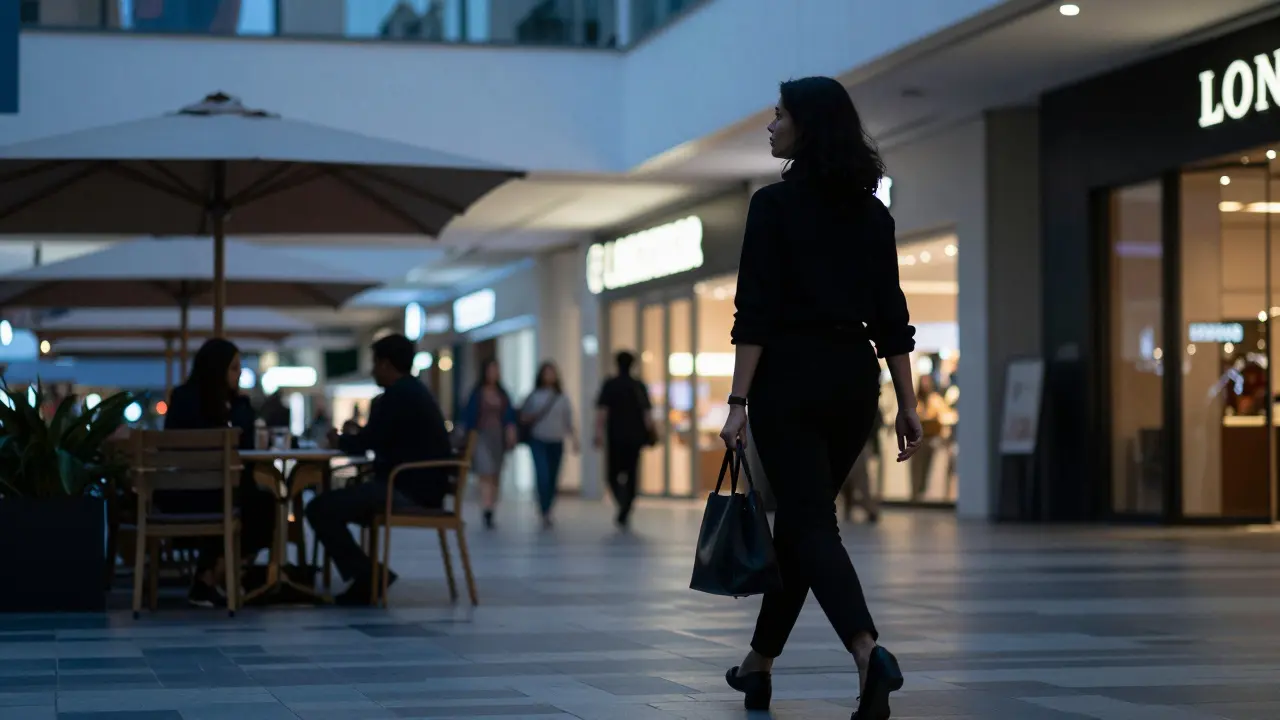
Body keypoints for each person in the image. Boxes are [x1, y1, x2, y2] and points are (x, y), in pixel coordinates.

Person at [716, 76, 923, 720]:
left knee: (809, 522)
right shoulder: (872, 213)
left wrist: (737, 402)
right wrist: (909, 403)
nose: (770, 126)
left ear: (807, 125)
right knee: (805, 525)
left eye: (779, 116)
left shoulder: (772, 207)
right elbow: (892, 318)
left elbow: (755, 312)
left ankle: (867, 653)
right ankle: (758, 666)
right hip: (853, 380)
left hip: (789, 377)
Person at [306, 334, 454, 606]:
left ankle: (370, 576)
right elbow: (382, 438)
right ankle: (369, 576)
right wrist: (357, 437)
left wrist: (341, 440)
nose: (373, 370)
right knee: (336, 503)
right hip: (422, 486)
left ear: (386, 364)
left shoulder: (395, 396)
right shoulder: (414, 392)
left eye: (375, 363)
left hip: (406, 489)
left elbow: (367, 443)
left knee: (318, 508)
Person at [162, 338, 276, 608]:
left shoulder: (181, 397)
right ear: (218, 369)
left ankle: (211, 576)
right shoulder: (232, 406)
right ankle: (221, 573)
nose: (239, 374)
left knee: (237, 495)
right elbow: (246, 450)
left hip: (176, 494)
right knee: (259, 502)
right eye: (234, 368)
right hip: (207, 497)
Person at [593, 351, 654, 529]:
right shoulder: (638, 385)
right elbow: (647, 413)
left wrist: (598, 433)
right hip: (635, 438)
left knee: (612, 474)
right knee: (632, 474)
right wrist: (651, 431)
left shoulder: (610, 384)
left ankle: (623, 504)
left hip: (615, 437)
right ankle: (626, 506)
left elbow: (602, 412)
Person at [457, 358, 517, 530]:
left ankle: (491, 506)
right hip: (481, 436)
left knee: (495, 473)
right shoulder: (477, 393)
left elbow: (509, 416)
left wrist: (510, 431)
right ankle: (486, 506)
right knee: (485, 471)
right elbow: (468, 417)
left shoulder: (502, 394)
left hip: (498, 438)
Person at [520, 361, 579, 528]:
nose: (549, 376)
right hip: (538, 440)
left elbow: (568, 420)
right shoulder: (533, 396)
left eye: (552, 373)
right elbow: (523, 416)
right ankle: (543, 507)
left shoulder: (562, 397)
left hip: (557, 440)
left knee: (553, 476)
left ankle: (548, 508)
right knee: (543, 474)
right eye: (546, 373)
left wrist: (574, 439)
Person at [910, 374, 951, 502]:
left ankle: (924, 493)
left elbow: (945, 415)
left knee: (928, 467)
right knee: (916, 468)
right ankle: (915, 493)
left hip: (931, 438)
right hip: (917, 439)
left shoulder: (936, 399)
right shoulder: (915, 400)